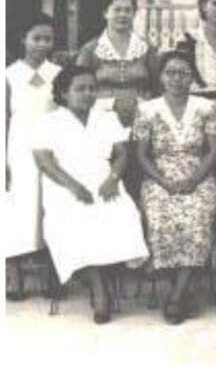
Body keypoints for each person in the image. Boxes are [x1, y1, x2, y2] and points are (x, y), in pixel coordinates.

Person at [32, 66, 149, 323]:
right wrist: (74, 187)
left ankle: (100, 283)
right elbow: (44, 162)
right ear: (64, 92)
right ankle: (100, 290)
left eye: (92, 88)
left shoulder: (106, 118)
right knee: (76, 222)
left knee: (122, 215)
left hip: (103, 179)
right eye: (80, 89)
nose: (88, 93)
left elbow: (122, 154)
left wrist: (113, 179)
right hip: (64, 184)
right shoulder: (48, 121)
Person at [134, 51, 216, 324]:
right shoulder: (147, 109)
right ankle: (182, 290)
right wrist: (163, 181)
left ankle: (176, 296)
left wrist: (193, 179)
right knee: (160, 218)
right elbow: (142, 155)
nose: (177, 78)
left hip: (199, 174)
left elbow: (213, 151)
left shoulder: (207, 107)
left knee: (197, 217)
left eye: (183, 73)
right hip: (159, 176)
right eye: (170, 72)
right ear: (160, 77)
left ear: (192, 77)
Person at [5, 15, 61, 300]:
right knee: (18, 209)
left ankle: (53, 273)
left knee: (51, 207)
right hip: (19, 149)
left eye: (47, 39)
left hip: (52, 149)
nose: (41, 44)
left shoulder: (58, 73)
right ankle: (13, 275)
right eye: (36, 38)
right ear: (23, 39)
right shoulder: (9, 75)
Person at [76, 0, 158, 127]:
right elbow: (78, 88)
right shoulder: (90, 50)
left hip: (141, 121)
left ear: (134, 14)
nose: (123, 15)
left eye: (128, 10)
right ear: (105, 13)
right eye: (117, 10)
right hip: (100, 122)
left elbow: (158, 88)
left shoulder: (147, 49)